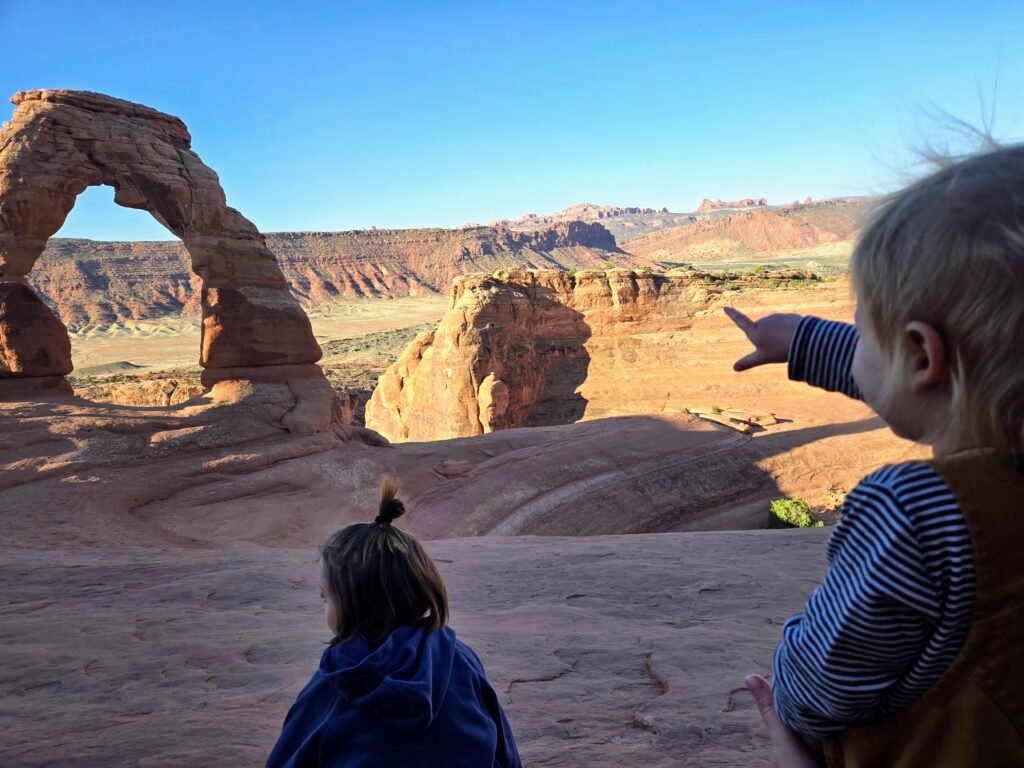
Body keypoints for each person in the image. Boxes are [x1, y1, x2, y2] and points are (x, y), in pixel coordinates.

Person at [727, 142, 1024, 767]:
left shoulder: (919, 516)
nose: (854, 338)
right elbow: (921, 377)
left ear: (921, 355)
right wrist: (806, 341)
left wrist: (785, 699)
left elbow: (818, 690)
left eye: (860, 326)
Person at [267, 480, 522, 768]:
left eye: (326, 597)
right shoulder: (459, 659)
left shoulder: (340, 677)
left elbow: (288, 757)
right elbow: (505, 753)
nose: (324, 605)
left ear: (352, 604)